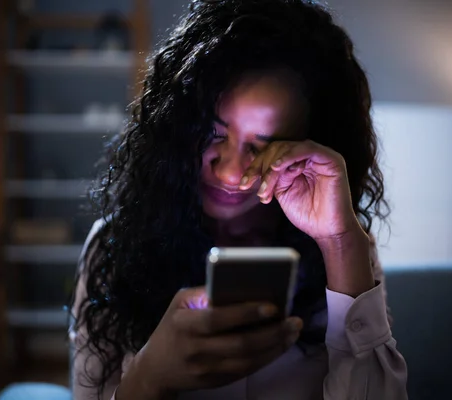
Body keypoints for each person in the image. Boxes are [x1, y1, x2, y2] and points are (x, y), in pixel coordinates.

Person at [70, 0, 409, 399]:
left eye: (265, 147)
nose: (231, 173)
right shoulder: (114, 248)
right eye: (213, 135)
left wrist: (338, 242)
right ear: (178, 127)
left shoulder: (347, 253)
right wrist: (149, 376)